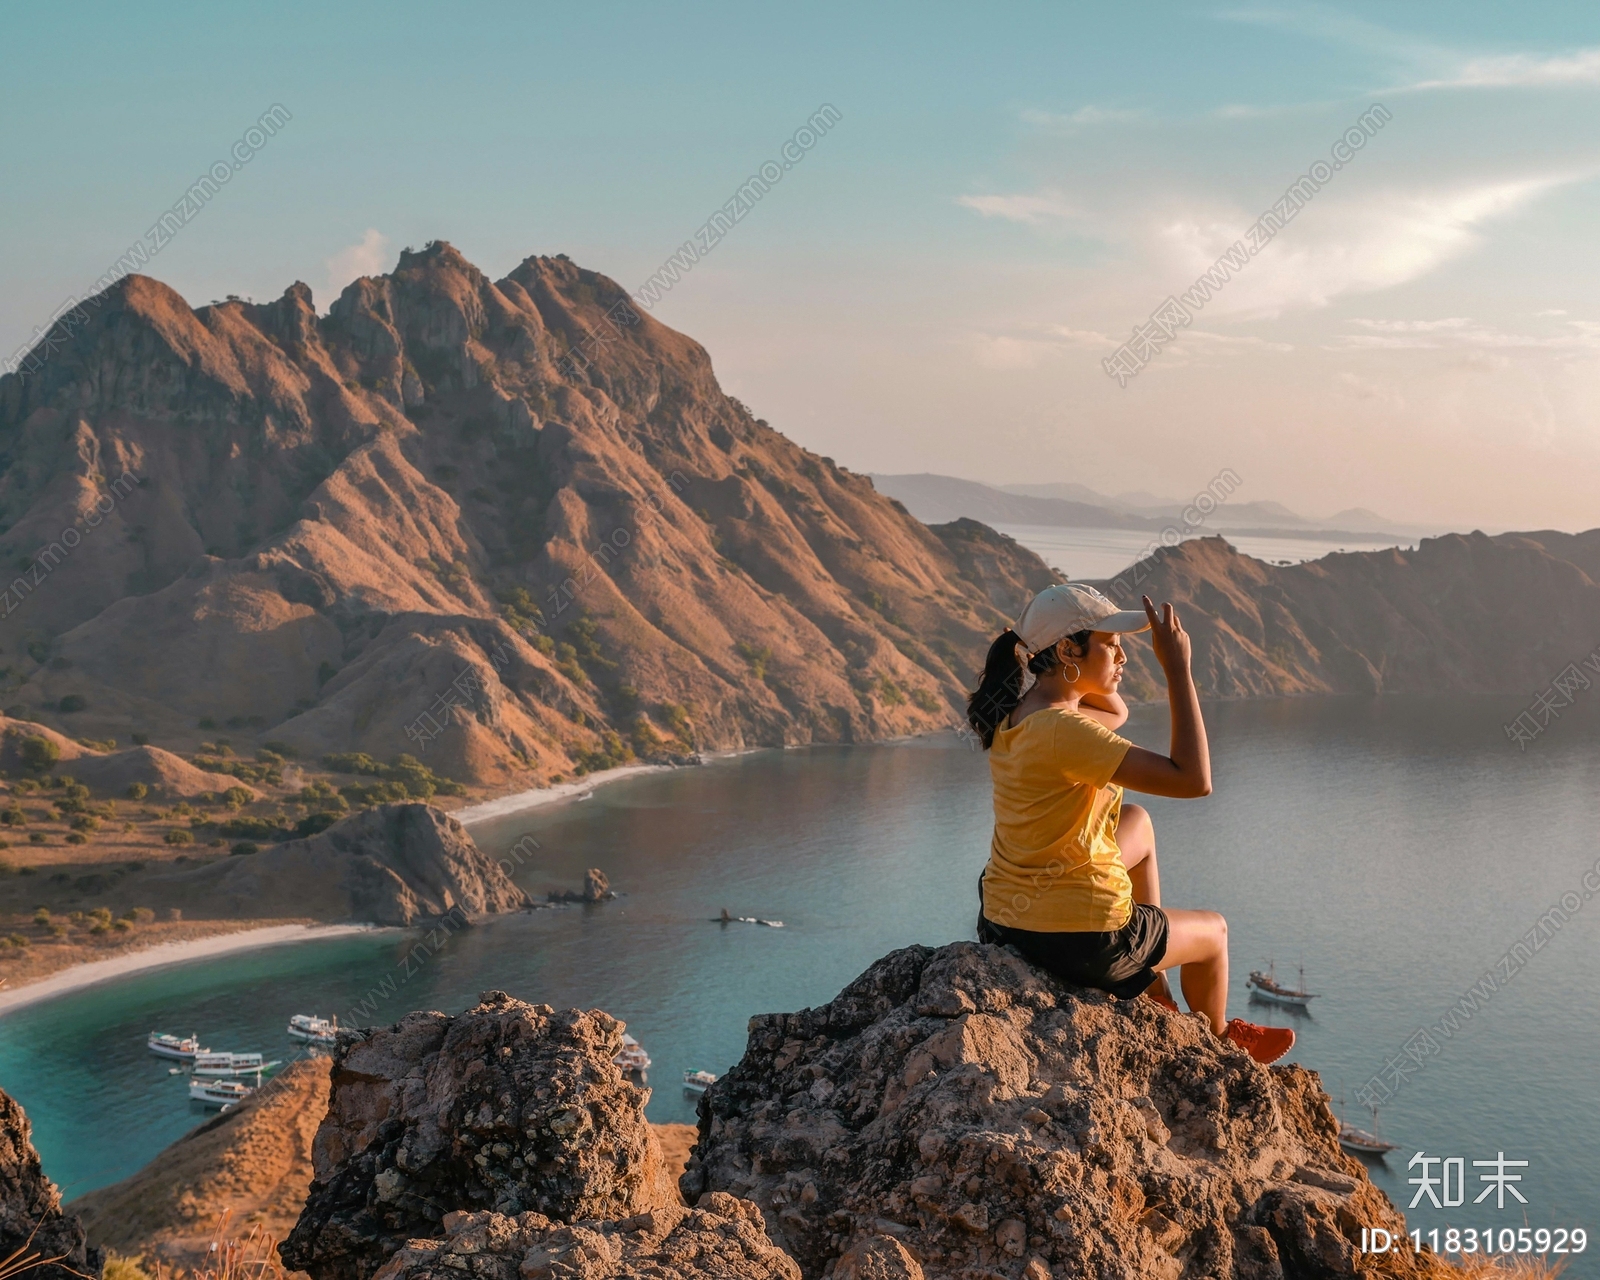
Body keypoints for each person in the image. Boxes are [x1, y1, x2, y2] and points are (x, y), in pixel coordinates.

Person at [966, 582, 1293, 1065]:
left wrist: (1089, 676)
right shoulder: (1067, 731)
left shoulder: (1016, 714)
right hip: (1079, 939)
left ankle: (1149, 978)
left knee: (1137, 821)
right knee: (1215, 933)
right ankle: (1220, 1036)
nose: (1123, 657)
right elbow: (1194, 779)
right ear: (1067, 649)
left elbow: (1114, 709)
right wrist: (1178, 669)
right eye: (1112, 645)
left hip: (1005, 922)